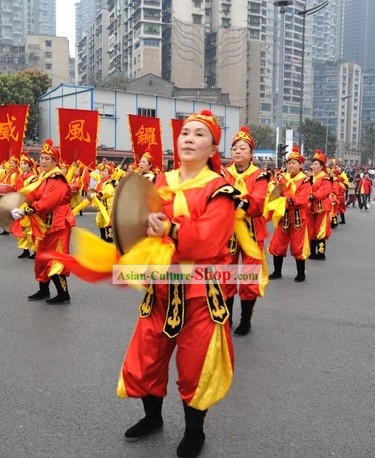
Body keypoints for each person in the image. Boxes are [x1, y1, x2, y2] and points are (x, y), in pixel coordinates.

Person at [119, 110, 237, 457]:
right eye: (185, 132)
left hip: (199, 294)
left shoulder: (221, 189)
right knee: (145, 361)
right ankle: (152, 418)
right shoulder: (159, 181)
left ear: (213, 146)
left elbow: (209, 241)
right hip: (160, 290)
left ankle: (194, 432)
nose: (188, 138)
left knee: (194, 369)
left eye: (199, 134)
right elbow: (137, 222)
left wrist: (171, 228)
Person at [10, 139, 75, 304]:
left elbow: (46, 203)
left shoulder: (57, 179)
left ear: (55, 161)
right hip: (46, 225)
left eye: (48, 158)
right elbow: (35, 195)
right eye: (42, 158)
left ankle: (63, 294)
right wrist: (21, 205)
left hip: (59, 225)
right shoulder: (44, 177)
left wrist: (25, 211)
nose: (43, 161)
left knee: (56, 259)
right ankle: (43, 291)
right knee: (41, 258)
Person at [223, 126, 269, 335]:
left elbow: (258, 203)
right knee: (226, 275)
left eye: (243, 148)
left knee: (249, 278)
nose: (238, 152)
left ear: (251, 153)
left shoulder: (259, 177)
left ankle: (245, 320)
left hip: (251, 234)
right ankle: (227, 317)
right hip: (229, 234)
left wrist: (238, 202)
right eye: (234, 149)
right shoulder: (224, 174)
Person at [268, 146, 312, 282]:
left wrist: (288, 198)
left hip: (298, 216)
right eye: (289, 163)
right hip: (284, 215)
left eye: (294, 163)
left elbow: (304, 199)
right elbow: (276, 192)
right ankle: (277, 271)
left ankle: (301, 273)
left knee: (298, 245)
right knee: (278, 242)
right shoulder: (283, 178)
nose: (291, 165)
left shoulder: (304, 180)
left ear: (300, 164)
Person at [308, 150, 332, 260]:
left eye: (316, 164)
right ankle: (312, 252)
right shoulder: (310, 178)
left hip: (322, 207)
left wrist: (312, 195)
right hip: (311, 208)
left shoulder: (325, 178)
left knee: (320, 230)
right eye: (313, 164)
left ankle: (321, 253)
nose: (313, 166)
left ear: (322, 166)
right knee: (311, 230)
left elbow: (324, 191)